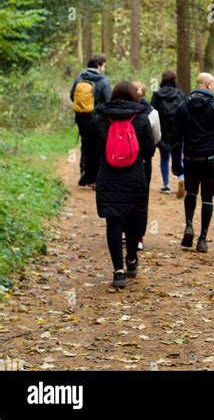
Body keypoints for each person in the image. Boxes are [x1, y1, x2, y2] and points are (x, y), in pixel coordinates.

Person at [89, 80, 156, 289]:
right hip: (135, 174)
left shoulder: (100, 117)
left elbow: (93, 147)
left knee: (113, 221)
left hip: (108, 174)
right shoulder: (141, 118)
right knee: (134, 219)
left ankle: (118, 272)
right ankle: (132, 259)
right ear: (134, 96)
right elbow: (149, 150)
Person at [170, 72, 214, 253]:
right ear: (207, 85)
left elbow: (175, 138)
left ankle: (189, 224)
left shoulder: (183, 107)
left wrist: (176, 163)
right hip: (211, 160)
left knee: (191, 192)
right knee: (207, 197)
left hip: (191, 159)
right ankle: (202, 238)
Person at [70, 55, 112, 186]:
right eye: (104, 66)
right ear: (98, 66)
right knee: (98, 147)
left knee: (85, 143)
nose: (104, 69)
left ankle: (83, 171)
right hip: (98, 119)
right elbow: (108, 100)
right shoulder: (104, 80)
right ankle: (94, 177)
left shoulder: (79, 78)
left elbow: (72, 96)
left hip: (81, 118)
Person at [133, 81, 161, 250]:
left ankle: (123, 231)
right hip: (143, 160)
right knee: (142, 198)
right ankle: (138, 237)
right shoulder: (153, 113)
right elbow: (157, 137)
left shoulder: (121, 112)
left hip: (123, 159)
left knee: (124, 196)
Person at [151, 71, 186, 197]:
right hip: (178, 131)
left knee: (164, 158)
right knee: (180, 156)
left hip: (163, 131)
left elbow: (152, 113)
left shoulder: (157, 95)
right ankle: (181, 178)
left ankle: (166, 185)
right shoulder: (180, 94)